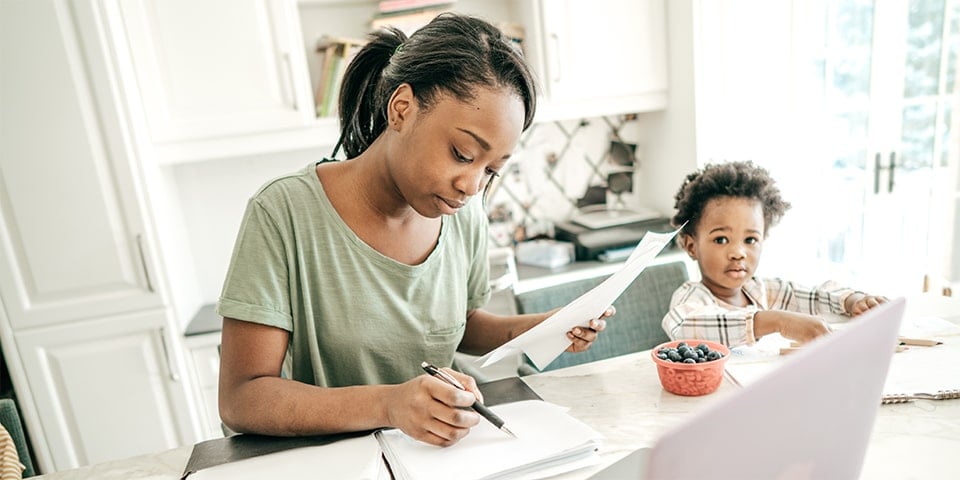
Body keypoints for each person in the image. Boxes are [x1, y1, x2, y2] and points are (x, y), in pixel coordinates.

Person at [217, 13, 612, 448]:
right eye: (462, 154)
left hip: (437, 455)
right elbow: (243, 397)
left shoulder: (463, 214)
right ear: (402, 109)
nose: (472, 186)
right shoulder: (283, 213)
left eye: (492, 171)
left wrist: (548, 326)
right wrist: (390, 404)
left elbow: (458, 327)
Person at [662, 160, 887, 348]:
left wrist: (853, 301)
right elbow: (684, 326)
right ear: (692, 246)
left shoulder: (761, 290)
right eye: (721, 240)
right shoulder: (690, 297)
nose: (738, 253)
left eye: (750, 240)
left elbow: (813, 298)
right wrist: (778, 321)